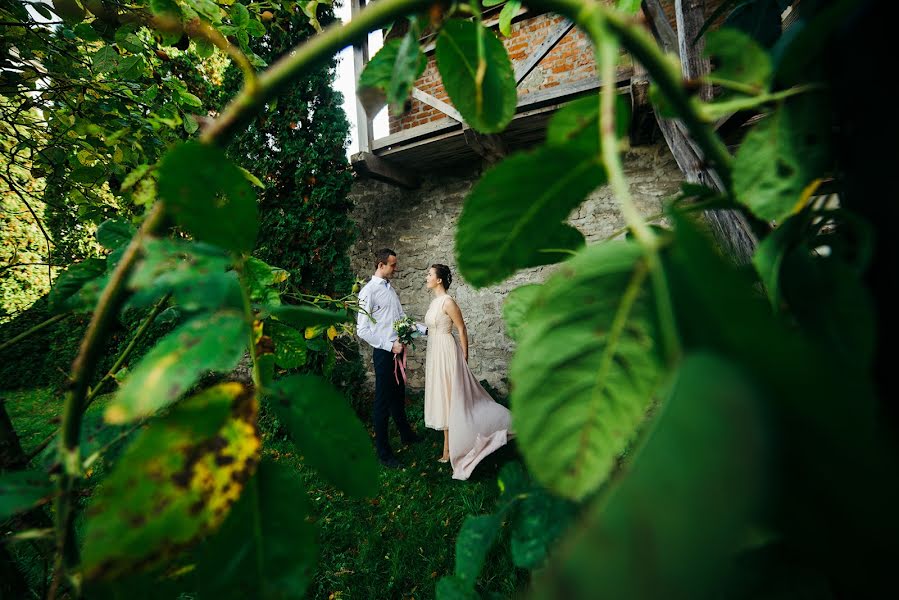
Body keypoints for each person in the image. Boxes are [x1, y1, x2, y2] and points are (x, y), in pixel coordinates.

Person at [423, 263, 512, 480]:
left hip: (447, 352)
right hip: (435, 352)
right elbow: (431, 328)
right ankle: (447, 448)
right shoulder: (434, 302)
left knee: (453, 398)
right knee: (443, 398)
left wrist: (464, 355)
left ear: (439, 280)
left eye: (429, 274)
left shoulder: (448, 301)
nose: (426, 277)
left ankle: (495, 425)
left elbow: (461, 328)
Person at [356, 248, 421, 468]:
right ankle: (384, 453)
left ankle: (406, 435)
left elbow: (401, 319)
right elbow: (362, 330)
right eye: (392, 264)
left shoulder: (390, 290)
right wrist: (388, 345)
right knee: (382, 402)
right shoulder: (368, 292)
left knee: (398, 396)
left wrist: (427, 330)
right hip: (384, 353)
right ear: (380, 265)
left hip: (398, 351)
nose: (396, 268)